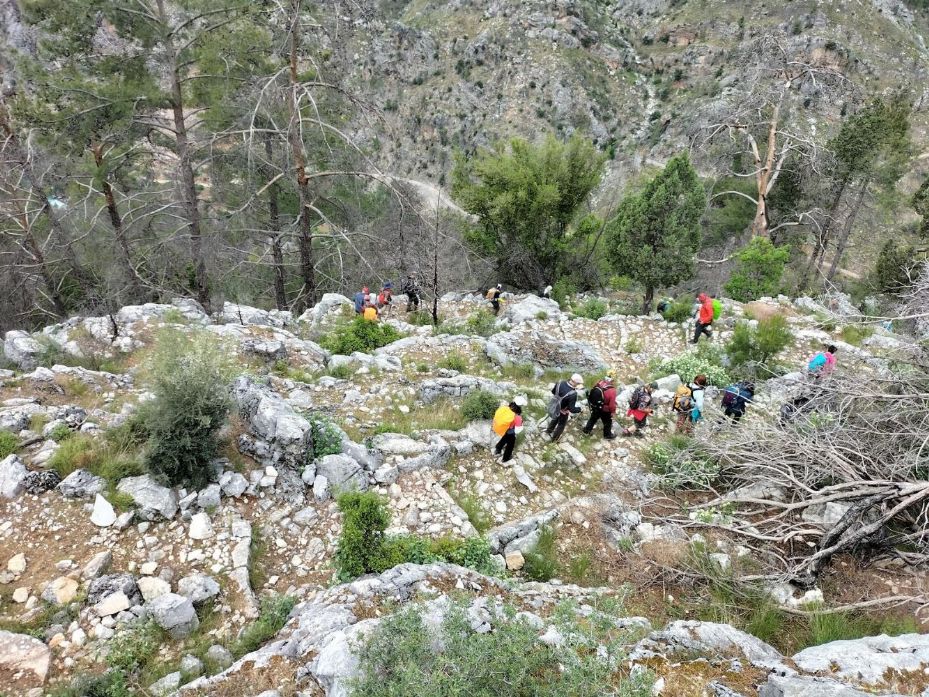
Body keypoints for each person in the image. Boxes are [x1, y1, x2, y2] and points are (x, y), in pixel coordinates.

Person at [545, 373, 583, 442]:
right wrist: (579, 409)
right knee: (561, 425)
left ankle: (549, 431)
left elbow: (553, 392)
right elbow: (572, 409)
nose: (578, 385)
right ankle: (554, 440)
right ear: (574, 382)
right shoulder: (573, 394)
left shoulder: (560, 383)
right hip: (563, 411)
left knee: (555, 418)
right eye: (578, 384)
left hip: (554, 406)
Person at [582, 371, 617, 439]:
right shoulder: (612, 390)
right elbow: (611, 405)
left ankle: (586, 430)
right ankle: (607, 435)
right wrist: (613, 412)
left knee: (593, 418)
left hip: (595, 406)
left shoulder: (599, 382)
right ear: (612, 380)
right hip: (605, 409)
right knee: (608, 422)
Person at [492, 397, 525, 463]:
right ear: (520, 407)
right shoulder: (517, 417)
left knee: (504, 438)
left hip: (504, 429)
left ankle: (498, 449)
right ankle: (506, 458)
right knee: (510, 444)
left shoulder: (505, 408)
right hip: (510, 431)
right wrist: (521, 424)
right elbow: (517, 431)